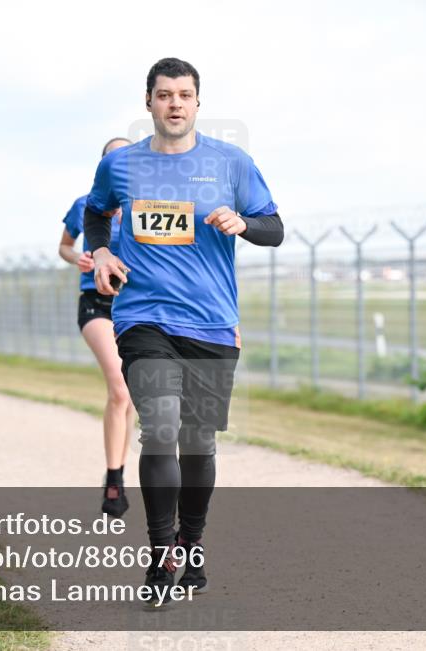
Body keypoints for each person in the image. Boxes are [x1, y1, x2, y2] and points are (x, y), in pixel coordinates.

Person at [84, 58, 284, 603]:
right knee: (162, 427)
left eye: (185, 95)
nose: (175, 103)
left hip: (212, 322)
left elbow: (275, 228)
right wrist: (101, 250)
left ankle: (191, 544)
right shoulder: (121, 165)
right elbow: (96, 213)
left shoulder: (232, 163)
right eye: (165, 94)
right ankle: (159, 554)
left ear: (198, 103)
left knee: (197, 443)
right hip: (143, 318)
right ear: (148, 101)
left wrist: (244, 223)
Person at [59, 136, 135, 518]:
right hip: (96, 303)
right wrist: (79, 259)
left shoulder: (145, 207)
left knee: (130, 394)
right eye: (113, 157)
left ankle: (117, 472)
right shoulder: (86, 205)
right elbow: (64, 246)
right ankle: (113, 479)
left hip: (134, 306)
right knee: (120, 388)